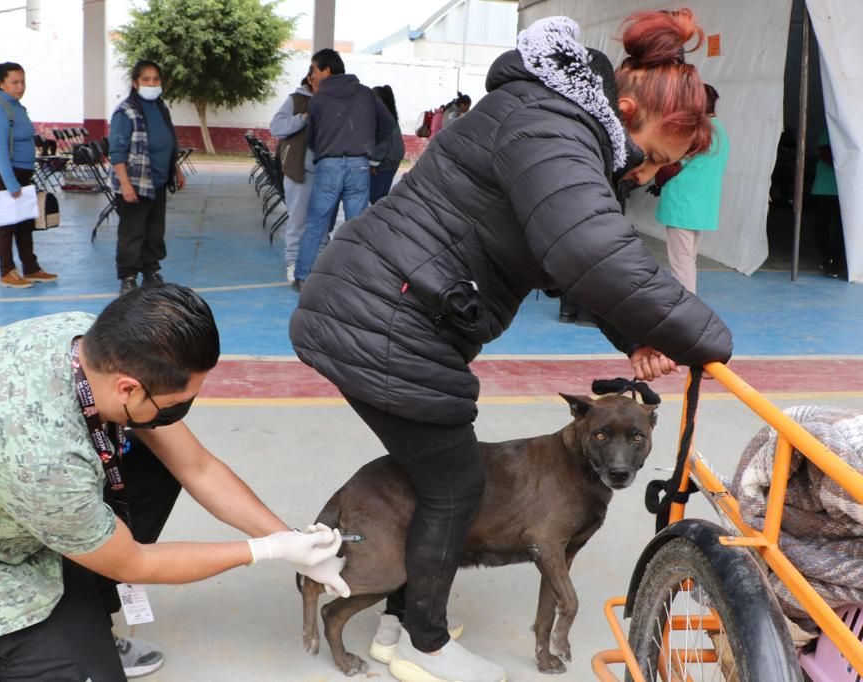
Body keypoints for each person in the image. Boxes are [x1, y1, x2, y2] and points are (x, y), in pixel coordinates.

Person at [289, 10, 733, 682]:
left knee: (436, 479)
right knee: (454, 485)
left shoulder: (551, 118)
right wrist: (709, 338)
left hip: (389, 312)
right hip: (384, 318)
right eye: (651, 156)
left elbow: (562, 263)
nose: (647, 177)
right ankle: (422, 643)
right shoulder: (554, 126)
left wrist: (636, 335)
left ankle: (400, 622)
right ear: (625, 111)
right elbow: (590, 250)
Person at [0, 284, 348, 681]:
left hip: (11, 513)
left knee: (157, 464)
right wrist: (264, 550)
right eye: (177, 402)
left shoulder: (90, 341)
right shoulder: (43, 454)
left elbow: (197, 466)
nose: (184, 410)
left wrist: (293, 540)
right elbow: (135, 563)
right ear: (128, 388)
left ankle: (90, 624)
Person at [291, 48, 396, 289]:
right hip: (359, 165)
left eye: (314, 69)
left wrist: (325, 150)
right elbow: (388, 124)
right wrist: (368, 144)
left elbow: (312, 137)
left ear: (326, 70)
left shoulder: (318, 100)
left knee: (316, 223)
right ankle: (354, 281)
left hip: (328, 164)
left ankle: (302, 276)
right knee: (356, 226)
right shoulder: (366, 94)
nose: (312, 75)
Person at [0, 61, 57, 289]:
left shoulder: (16, 106)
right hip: (5, 173)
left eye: (22, 82)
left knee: (25, 223)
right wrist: (11, 182)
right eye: (14, 82)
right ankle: (6, 271)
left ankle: (31, 268)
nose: (20, 86)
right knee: (7, 225)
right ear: (0, 83)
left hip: (21, 173)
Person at [109, 59, 180, 294]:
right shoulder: (125, 111)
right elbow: (117, 151)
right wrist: (125, 184)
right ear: (135, 83)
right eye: (146, 79)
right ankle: (128, 276)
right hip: (135, 183)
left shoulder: (161, 108)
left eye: (156, 79)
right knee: (132, 232)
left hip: (157, 182)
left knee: (155, 231)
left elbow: (168, 142)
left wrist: (176, 169)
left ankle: (151, 271)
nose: (152, 84)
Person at [655, 83, 730, 293]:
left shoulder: (698, 131)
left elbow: (672, 165)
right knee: (688, 258)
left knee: (681, 264)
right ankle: (687, 302)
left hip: (683, 204)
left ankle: (686, 305)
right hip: (701, 206)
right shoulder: (720, 131)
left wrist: (656, 176)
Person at [270, 70, 316, 283]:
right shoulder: (296, 100)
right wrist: (303, 118)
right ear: (310, 78)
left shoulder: (334, 101)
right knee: (297, 220)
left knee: (320, 223)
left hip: (326, 173)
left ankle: (316, 264)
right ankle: (292, 262)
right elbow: (277, 127)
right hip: (299, 171)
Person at [811, 126, 845, 278]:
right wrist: (843, 163)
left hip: (844, 189)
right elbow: (824, 151)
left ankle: (833, 260)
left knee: (839, 228)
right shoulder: (829, 127)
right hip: (824, 186)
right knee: (820, 225)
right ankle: (828, 257)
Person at [369, 85, 405, 204]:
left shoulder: (381, 118)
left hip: (383, 163)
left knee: (374, 199)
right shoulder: (392, 116)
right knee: (381, 197)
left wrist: (373, 163)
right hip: (392, 161)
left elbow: (382, 144)